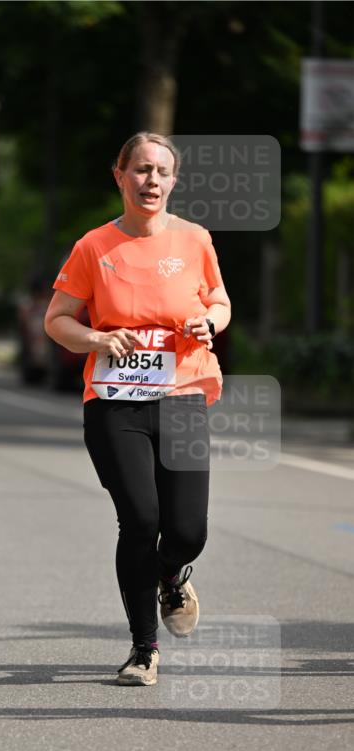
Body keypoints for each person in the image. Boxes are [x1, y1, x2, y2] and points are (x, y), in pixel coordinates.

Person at [45, 132, 231, 687]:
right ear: (120, 175)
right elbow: (58, 319)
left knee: (188, 529)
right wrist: (98, 341)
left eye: (162, 172)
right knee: (141, 518)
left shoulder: (195, 239)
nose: (151, 181)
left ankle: (171, 573)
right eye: (141, 170)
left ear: (174, 181)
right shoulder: (93, 247)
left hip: (183, 396)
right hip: (115, 401)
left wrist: (210, 322)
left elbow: (219, 301)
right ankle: (143, 648)